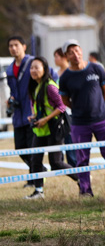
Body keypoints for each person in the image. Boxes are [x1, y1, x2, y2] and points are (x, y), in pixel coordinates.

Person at [58, 39, 105, 197]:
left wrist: (100, 107)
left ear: (81, 50)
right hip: (80, 123)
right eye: (71, 52)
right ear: (66, 56)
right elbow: (65, 100)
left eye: (77, 50)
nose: (75, 54)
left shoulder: (96, 68)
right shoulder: (65, 77)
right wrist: (79, 109)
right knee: (81, 159)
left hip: (103, 119)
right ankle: (85, 190)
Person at [25, 57, 78, 199]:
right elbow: (40, 106)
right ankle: (38, 191)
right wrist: (34, 116)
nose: (33, 71)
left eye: (37, 67)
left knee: (56, 163)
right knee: (35, 160)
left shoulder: (50, 86)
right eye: (31, 68)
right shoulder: (35, 86)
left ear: (45, 69)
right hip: (40, 130)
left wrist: (46, 119)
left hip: (53, 129)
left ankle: (81, 178)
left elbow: (61, 107)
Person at [6, 36, 54, 187]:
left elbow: (51, 76)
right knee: (21, 150)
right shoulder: (9, 68)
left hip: (32, 114)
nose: (13, 48)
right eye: (11, 46)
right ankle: (40, 171)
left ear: (24, 46)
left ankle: (35, 179)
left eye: (16, 45)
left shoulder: (33, 63)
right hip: (18, 116)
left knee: (33, 150)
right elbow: (14, 90)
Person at [53, 47, 76, 167]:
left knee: (70, 140)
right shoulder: (55, 73)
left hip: (70, 112)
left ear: (63, 57)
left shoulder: (71, 72)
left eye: (56, 56)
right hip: (58, 112)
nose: (55, 59)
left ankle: (75, 167)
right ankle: (62, 164)